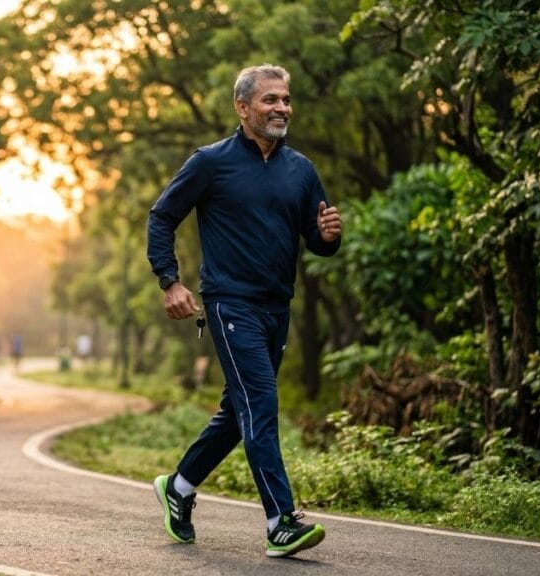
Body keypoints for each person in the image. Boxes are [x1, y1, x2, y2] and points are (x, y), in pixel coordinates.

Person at [146, 64, 343, 558]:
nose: (282, 108)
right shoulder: (211, 163)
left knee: (240, 412)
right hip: (230, 303)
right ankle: (281, 522)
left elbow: (317, 240)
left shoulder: (301, 170)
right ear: (242, 107)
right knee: (261, 403)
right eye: (270, 99)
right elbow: (162, 217)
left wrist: (328, 237)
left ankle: (179, 487)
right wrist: (170, 281)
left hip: (277, 305)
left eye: (286, 99)